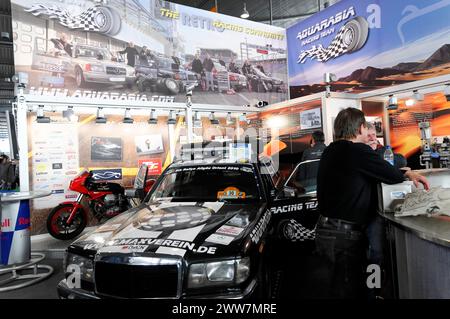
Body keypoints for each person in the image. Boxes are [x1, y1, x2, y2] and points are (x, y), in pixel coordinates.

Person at [315, 107, 429, 299]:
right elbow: (392, 175)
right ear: (360, 128)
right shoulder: (357, 151)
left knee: (337, 288)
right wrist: (407, 172)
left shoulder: (330, 150)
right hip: (345, 236)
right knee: (349, 290)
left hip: (325, 231)